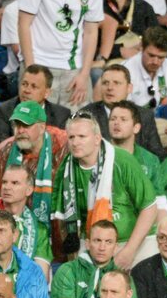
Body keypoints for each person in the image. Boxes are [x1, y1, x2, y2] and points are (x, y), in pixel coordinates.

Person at [51, 112, 159, 269]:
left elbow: (149, 207)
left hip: (132, 241)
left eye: (82, 136)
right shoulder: (66, 169)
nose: (75, 142)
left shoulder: (122, 160)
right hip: (92, 243)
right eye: (71, 137)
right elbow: (64, 218)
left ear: (97, 139)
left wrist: (129, 251)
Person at [17, 0, 103, 109]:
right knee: (34, 123)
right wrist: (31, 71)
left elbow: (91, 31)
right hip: (39, 64)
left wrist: (84, 74)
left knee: (78, 124)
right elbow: (23, 24)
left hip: (74, 70)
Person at [0, 100, 69, 228]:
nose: (20, 131)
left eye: (26, 125)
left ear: (42, 127)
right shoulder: (0, 153)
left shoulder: (63, 146)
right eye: (17, 125)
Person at [51, 219, 139, 298]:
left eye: (108, 242)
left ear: (116, 247)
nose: (102, 248)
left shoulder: (123, 279)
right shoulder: (67, 271)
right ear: (87, 244)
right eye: (97, 240)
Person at [78, 64, 167, 159]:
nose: (110, 88)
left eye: (116, 83)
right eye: (105, 83)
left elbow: (157, 154)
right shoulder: (86, 115)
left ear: (129, 88)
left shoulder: (144, 115)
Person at [124, 27, 167, 148]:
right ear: (142, 48)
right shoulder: (127, 70)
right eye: (151, 55)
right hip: (133, 126)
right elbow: (124, 115)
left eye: (161, 57)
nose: (155, 61)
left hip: (156, 123)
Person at [0, 65, 70, 150]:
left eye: (34, 86)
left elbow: (62, 150)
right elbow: (1, 151)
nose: (26, 90)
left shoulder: (61, 115)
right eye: (24, 84)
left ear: (47, 93)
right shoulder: (2, 113)